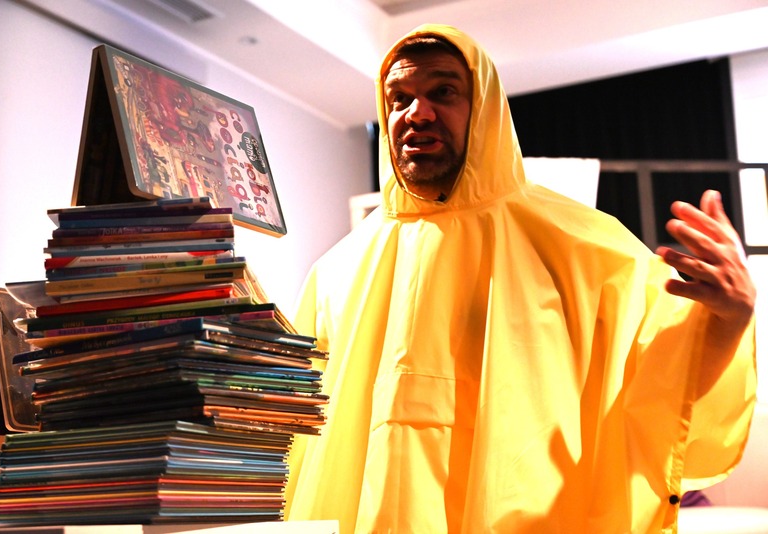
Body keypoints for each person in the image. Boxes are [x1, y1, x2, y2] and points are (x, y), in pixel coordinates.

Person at [285, 24, 757, 533]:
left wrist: (729, 320)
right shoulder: (336, 273)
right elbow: (293, 439)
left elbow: (665, 389)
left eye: (443, 91)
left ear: (486, 107)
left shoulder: (584, 246)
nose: (416, 113)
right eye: (399, 98)